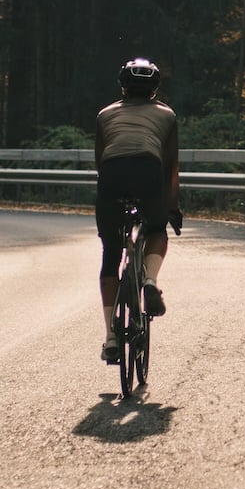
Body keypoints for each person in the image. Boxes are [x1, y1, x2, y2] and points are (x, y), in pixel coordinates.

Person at [94, 57, 181, 363]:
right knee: (157, 229)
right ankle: (150, 281)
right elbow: (171, 167)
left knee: (111, 254)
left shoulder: (105, 114)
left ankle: (111, 337)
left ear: (123, 87)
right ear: (155, 89)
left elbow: (100, 161)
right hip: (149, 170)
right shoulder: (166, 115)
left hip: (112, 175)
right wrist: (172, 206)